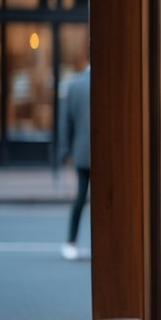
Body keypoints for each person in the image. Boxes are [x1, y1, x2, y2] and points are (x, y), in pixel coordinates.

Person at [58, 63, 92, 261]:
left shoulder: (74, 86)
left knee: (80, 198)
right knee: (104, 201)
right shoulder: (108, 84)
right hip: (104, 154)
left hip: (81, 152)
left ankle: (71, 241)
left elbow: (66, 122)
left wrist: (65, 150)